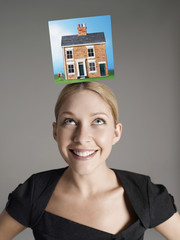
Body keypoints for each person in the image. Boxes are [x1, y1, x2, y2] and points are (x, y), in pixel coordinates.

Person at [0, 81, 179, 240]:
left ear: (116, 133)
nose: (82, 137)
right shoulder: (34, 193)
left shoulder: (144, 193)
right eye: (69, 121)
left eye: (98, 121)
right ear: (55, 132)